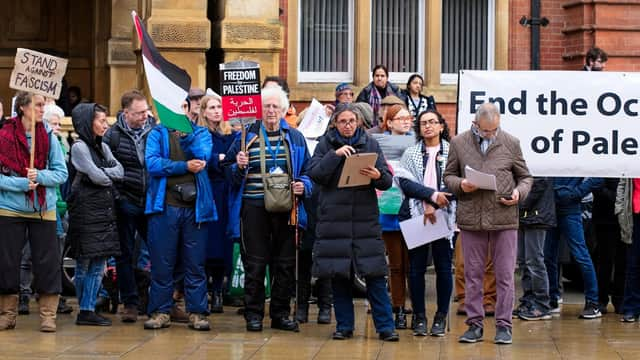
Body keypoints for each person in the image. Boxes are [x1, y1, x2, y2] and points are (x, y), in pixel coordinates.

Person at [444, 102, 532, 345]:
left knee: (504, 275)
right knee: (472, 274)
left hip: (504, 217)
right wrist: (461, 184)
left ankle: (504, 326)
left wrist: (518, 193)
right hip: (472, 218)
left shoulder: (511, 142)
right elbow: (448, 176)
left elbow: (525, 177)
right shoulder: (459, 143)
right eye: (486, 131)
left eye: (494, 130)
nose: (491, 135)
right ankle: (474, 325)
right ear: (475, 125)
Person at [309, 103, 399, 342]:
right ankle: (344, 327)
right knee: (340, 276)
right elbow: (315, 174)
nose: (347, 126)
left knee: (375, 276)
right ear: (335, 123)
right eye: (342, 121)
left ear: (358, 122)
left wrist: (378, 176)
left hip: (364, 220)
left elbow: (387, 181)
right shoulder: (325, 144)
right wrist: (334, 156)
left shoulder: (370, 144)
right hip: (334, 221)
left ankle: (386, 327)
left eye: (351, 121)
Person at [227, 85, 312, 332]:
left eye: (275, 106)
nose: (271, 110)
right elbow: (227, 174)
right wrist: (238, 166)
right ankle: (253, 314)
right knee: (254, 263)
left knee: (284, 264)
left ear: (284, 110)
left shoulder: (295, 137)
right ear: (259, 109)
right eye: (266, 106)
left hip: (286, 207)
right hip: (253, 208)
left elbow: (308, 171)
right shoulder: (246, 136)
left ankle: (280, 314)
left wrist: (303, 185)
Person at [143, 106, 216, 332]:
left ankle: (197, 312)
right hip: (164, 207)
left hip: (195, 209)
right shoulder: (157, 133)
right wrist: (183, 166)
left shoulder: (201, 133)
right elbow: (152, 164)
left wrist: (186, 136)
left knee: (195, 263)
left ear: (189, 109)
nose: (179, 110)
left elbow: (202, 156)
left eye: (183, 106)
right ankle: (160, 311)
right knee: (162, 263)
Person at [0, 91, 68, 332]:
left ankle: (48, 315)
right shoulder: (3, 135)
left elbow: (61, 173)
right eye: (38, 105)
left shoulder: (49, 136)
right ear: (23, 108)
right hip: (9, 208)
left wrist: (39, 175)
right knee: (7, 262)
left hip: (42, 209)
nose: (43, 109)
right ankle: (7, 314)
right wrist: (20, 183)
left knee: (47, 262)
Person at [395, 109, 455, 336]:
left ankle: (440, 316)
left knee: (443, 267)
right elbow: (404, 182)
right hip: (415, 214)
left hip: (445, 215)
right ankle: (419, 316)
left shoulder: (453, 151)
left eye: (432, 122)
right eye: (423, 123)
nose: (428, 126)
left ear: (441, 126)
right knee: (416, 268)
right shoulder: (410, 153)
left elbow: (456, 184)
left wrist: (437, 203)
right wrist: (429, 198)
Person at [67, 103, 123, 326]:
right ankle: (86, 309)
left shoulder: (102, 146)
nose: (105, 124)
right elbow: (97, 177)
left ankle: (87, 308)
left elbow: (120, 171)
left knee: (99, 263)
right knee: (85, 263)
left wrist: (103, 173)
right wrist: (105, 174)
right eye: (100, 120)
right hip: (86, 212)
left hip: (102, 211)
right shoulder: (80, 147)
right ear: (87, 122)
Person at [103, 90, 156, 323]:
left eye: (146, 110)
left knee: (159, 251)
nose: (145, 115)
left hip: (152, 200)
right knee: (124, 254)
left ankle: (158, 301)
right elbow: (105, 168)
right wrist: (117, 197)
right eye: (139, 112)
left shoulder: (155, 130)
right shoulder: (112, 135)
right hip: (126, 201)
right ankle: (130, 302)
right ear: (126, 113)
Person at [372, 104, 415, 329]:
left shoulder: (418, 144)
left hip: (413, 210)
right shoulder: (379, 144)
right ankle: (397, 308)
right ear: (388, 122)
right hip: (388, 210)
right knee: (396, 265)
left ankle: (415, 309)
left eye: (408, 118)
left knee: (412, 266)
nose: (405, 122)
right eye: (399, 119)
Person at [197, 93, 236, 313]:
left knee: (223, 243)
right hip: (207, 191)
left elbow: (234, 157)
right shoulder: (201, 134)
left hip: (226, 192)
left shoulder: (230, 134)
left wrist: (222, 159)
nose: (216, 111)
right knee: (206, 242)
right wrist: (219, 159)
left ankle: (219, 290)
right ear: (203, 111)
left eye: (219, 106)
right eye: (211, 107)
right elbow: (204, 158)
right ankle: (206, 289)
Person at [544, 176, 603, 318]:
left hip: (570, 207)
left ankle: (593, 302)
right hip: (552, 206)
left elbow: (598, 177)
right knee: (548, 256)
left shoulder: (578, 154)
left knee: (581, 256)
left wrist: (577, 193)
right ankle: (553, 299)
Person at [513, 177, 556, 321]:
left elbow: (539, 184)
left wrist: (517, 202)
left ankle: (542, 304)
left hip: (537, 214)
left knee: (534, 260)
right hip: (527, 214)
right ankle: (529, 300)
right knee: (525, 261)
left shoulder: (540, 162)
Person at [593, 178, 627, 314]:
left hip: (624, 218)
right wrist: (619, 198)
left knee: (622, 262)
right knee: (604, 262)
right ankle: (602, 299)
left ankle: (619, 299)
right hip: (604, 218)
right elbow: (596, 187)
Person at [616, 178, 640, 322]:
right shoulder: (631, 161)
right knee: (633, 264)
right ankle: (631, 308)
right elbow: (623, 185)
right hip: (634, 216)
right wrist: (620, 210)